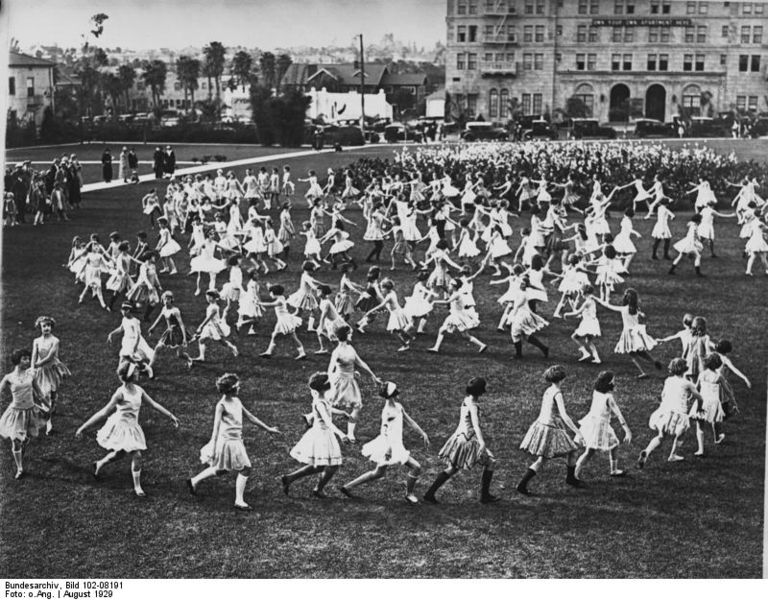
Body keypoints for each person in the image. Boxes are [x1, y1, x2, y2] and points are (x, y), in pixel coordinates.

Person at [75, 362, 179, 497]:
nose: (138, 373)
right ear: (129, 375)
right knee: (137, 455)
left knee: (120, 454)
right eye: (135, 372)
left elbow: (153, 404)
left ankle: (99, 464)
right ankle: (137, 487)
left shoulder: (139, 390)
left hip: (132, 427)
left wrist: (171, 416)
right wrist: (83, 427)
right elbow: (103, 412)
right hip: (120, 428)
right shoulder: (120, 393)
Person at [188, 373, 281, 510]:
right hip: (228, 442)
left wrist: (268, 429)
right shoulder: (221, 405)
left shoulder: (237, 401)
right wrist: (213, 446)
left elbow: (250, 416)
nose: (239, 388)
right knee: (246, 468)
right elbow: (216, 428)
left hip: (236, 440)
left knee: (223, 469)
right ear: (230, 389)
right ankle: (239, 500)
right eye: (237, 386)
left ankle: (193, 481)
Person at [340, 381, 430, 504]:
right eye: (396, 392)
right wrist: (389, 450)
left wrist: (422, 433)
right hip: (390, 445)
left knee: (378, 473)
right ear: (392, 395)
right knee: (416, 467)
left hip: (394, 444)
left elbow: (410, 421)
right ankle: (409, 494)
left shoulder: (398, 406)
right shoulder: (388, 411)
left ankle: (347, 487)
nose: (398, 394)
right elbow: (386, 431)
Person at [423, 377, 500, 504]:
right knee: (491, 462)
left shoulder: (466, 400)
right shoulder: (474, 406)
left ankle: (429, 494)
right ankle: (484, 496)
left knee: (453, 468)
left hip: (459, 437)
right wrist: (482, 442)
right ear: (481, 391)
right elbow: (476, 425)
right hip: (468, 440)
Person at [516, 365, 584, 495]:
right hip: (550, 428)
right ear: (562, 379)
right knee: (545, 459)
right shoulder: (558, 393)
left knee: (568, 452)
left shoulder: (548, 390)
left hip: (542, 425)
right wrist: (578, 432)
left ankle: (570, 478)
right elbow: (564, 415)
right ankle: (522, 484)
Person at [280, 372, 349, 498]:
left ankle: (290, 478)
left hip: (322, 433)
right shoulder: (319, 402)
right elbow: (327, 421)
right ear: (323, 387)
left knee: (321, 466)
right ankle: (318, 489)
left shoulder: (322, 398)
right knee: (332, 465)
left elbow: (329, 409)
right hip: (322, 435)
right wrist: (341, 434)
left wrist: (341, 412)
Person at [638, 358, 703, 466]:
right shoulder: (687, 383)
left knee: (661, 435)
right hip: (679, 412)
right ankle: (673, 454)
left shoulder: (668, 380)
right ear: (685, 369)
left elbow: (663, 395)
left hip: (665, 410)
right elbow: (700, 398)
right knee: (681, 434)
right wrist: (699, 408)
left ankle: (647, 451)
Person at [0, 349, 49, 479]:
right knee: (15, 440)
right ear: (17, 361)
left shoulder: (31, 375)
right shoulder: (8, 378)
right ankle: (20, 468)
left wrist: (48, 406)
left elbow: (39, 392)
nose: (27, 361)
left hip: (30, 411)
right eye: (24, 359)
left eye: (28, 358)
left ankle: (24, 440)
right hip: (16, 413)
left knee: (25, 437)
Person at [574, 371, 632, 479]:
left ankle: (613, 470)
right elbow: (619, 415)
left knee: (614, 444)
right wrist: (627, 431)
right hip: (600, 425)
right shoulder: (609, 397)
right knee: (590, 451)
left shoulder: (596, 391)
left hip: (592, 422)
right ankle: (574, 473)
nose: (615, 383)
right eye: (613, 381)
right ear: (609, 383)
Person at [31, 316, 71, 435]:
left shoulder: (55, 340)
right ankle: (49, 424)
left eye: (48, 325)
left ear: (51, 327)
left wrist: (39, 363)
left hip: (52, 368)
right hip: (41, 370)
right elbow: (34, 354)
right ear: (40, 327)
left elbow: (50, 356)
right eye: (44, 326)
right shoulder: (36, 341)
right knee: (45, 394)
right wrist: (33, 367)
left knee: (53, 391)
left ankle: (53, 405)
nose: (46, 328)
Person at [690, 353, 726, 456]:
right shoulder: (719, 376)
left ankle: (701, 449)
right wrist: (721, 401)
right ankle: (717, 437)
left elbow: (696, 388)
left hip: (702, 402)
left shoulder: (702, 374)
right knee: (715, 420)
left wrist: (691, 397)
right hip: (713, 402)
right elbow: (722, 391)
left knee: (700, 426)